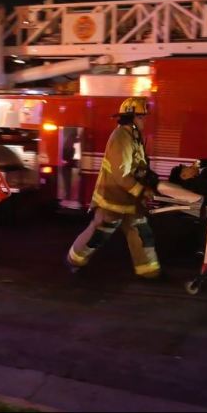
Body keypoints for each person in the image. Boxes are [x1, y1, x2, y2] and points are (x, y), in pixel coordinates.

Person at [65, 97, 163, 280]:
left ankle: (149, 271)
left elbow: (138, 165)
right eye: (141, 117)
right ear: (131, 118)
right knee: (99, 232)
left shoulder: (134, 137)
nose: (144, 121)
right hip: (112, 199)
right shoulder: (120, 137)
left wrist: (148, 180)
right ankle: (74, 260)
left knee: (141, 232)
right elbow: (120, 173)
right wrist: (142, 191)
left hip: (129, 199)